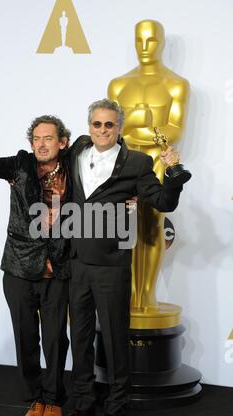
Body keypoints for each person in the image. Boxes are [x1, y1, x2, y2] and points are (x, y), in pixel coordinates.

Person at [58, 98, 190, 416]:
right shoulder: (75, 152)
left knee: (116, 340)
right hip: (77, 263)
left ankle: (116, 408)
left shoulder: (136, 162)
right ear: (90, 127)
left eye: (109, 125)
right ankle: (84, 403)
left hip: (112, 265)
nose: (103, 130)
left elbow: (162, 201)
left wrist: (173, 173)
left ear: (120, 128)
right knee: (82, 338)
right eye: (97, 124)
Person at [0, 101, 72, 416]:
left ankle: (54, 400)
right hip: (19, 267)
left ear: (62, 142)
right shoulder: (20, 166)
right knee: (26, 337)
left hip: (57, 269)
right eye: (36, 138)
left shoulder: (75, 169)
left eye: (48, 138)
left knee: (55, 338)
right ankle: (35, 399)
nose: (40, 144)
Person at [108, 19, 190, 309]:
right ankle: (130, 294)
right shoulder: (118, 84)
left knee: (153, 225)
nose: (144, 47)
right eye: (139, 40)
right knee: (125, 225)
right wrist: (148, 128)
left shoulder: (176, 84)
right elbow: (111, 129)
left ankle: (146, 294)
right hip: (124, 160)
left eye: (151, 40)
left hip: (157, 160)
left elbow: (175, 129)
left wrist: (136, 127)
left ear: (162, 42)